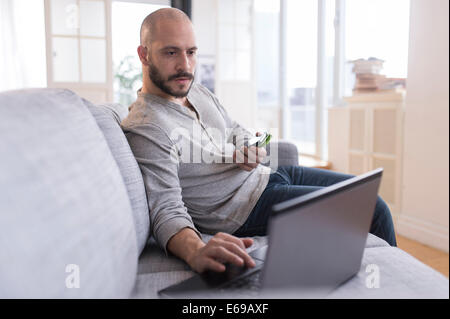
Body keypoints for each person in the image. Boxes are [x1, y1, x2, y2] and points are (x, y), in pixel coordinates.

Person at [121, 8, 397, 274]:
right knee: (373, 209)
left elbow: (235, 128)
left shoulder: (197, 91)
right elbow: (165, 208)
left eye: (191, 52)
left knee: (368, 194)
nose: (185, 65)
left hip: (269, 175)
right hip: (247, 210)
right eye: (171, 52)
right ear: (144, 55)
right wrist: (195, 250)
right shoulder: (147, 127)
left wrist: (248, 147)